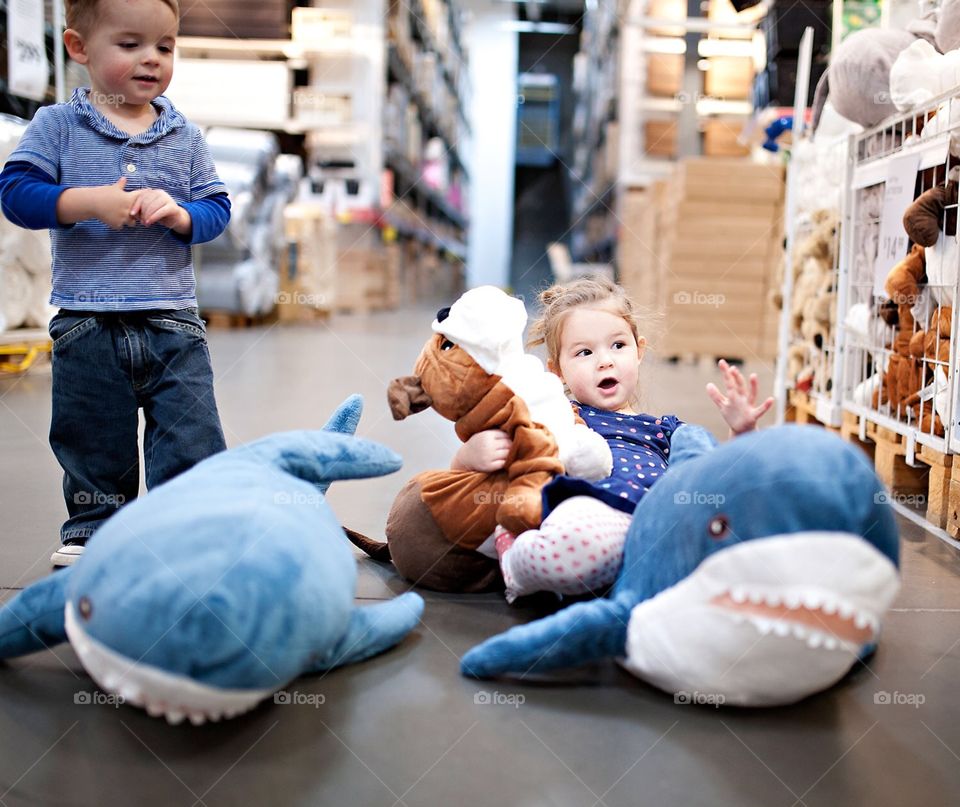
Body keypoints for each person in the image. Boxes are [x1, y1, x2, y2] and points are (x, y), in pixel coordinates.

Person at [0, 0, 231, 566]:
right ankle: (96, 531)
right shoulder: (58, 126)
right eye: (130, 45)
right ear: (79, 47)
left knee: (190, 434)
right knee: (91, 436)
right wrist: (90, 203)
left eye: (165, 46)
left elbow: (216, 209)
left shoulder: (184, 137)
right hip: (87, 322)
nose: (151, 60)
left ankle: (190, 527)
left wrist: (180, 215)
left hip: (173, 321)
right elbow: (15, 194)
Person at [452, 277, 774, 602]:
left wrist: (741, 431)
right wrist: (468, 456)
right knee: (578, 548)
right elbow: (478, 482)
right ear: (557, 371)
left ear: (639, 351)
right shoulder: (558, 418)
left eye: (618, 346)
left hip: (655, 526)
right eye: (585, 352)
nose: (605, 360)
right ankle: (517, 560)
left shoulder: (665, 430)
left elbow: (715, 479)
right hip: (595, 519)